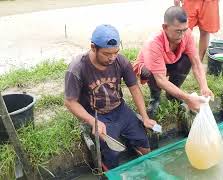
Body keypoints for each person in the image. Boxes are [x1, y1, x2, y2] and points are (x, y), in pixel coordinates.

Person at [64, 24, 156, 170]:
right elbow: (70, 102)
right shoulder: (77, 68)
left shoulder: (121, 61)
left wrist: (144, 117)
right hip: (96, 114)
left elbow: (134, 88)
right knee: (110, 155)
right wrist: (91, 121)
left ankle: (148, 167)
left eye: (116, 52)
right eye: (107, 54)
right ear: (93, 48)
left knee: (143, 141)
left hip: (120, 109)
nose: (112, 58)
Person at [133, 6, 213, 118]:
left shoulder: (187, 34)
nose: (182, 35)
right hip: (149, 67)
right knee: (150, 73)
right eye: (178, 31)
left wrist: (204, 86)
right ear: (165, 27)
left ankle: (172, 94)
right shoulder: (154, 43)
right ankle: (155, 98)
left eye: (184, 30)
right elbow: (160, 80)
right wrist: (188, 98)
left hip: (170, 61)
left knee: (187, 60)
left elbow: (196, 62)